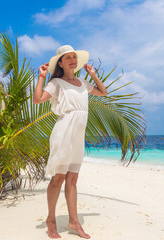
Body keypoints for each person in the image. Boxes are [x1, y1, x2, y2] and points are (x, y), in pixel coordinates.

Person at [33, 45, 108, 239]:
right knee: (58, 177)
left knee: (73, 178)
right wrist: (41, 77)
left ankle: (74, 221)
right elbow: (38, 99)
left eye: (74, 57)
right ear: (60, 62)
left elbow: (103, 92)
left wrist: (92, 74)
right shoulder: (56, 83)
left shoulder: (83, 82)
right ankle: (51, 220)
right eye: (67, 58)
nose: (72, 60)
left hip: (78, 134)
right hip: (64, 130)